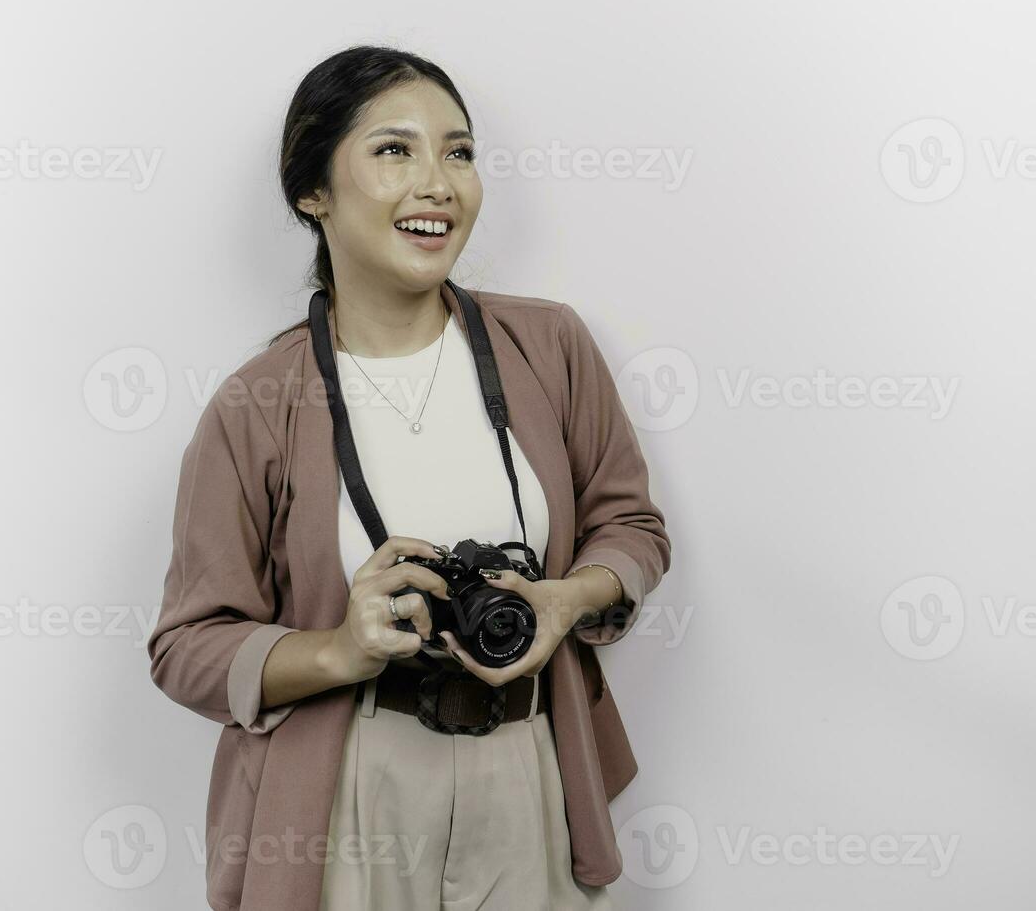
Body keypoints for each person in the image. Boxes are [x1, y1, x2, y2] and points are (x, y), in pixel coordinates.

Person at [147, 44, 672, 911]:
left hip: (529, 764)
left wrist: (566, 601)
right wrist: (337, 649)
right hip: (349, 781)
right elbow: (184, 646)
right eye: (395, 150)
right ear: (312, 192)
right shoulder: (255, 406)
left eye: (458, 152)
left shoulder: (550, 348)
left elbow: (634, 529)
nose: (439, 184)